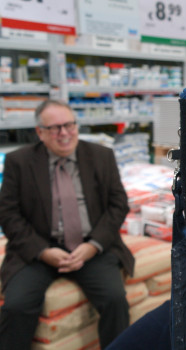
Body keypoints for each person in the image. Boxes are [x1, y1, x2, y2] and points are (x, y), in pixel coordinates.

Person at [0, 100, 135, 349]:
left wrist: (94, 245)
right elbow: (8, 214)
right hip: (40, 249)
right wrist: (43, 251)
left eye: (69, 125)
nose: (64, 133)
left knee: (115, 301)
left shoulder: (100, 156)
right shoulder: (19, 162)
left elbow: (118, 205)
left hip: (91, 246)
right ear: (40, 132)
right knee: (16, 306)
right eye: (55, 128)